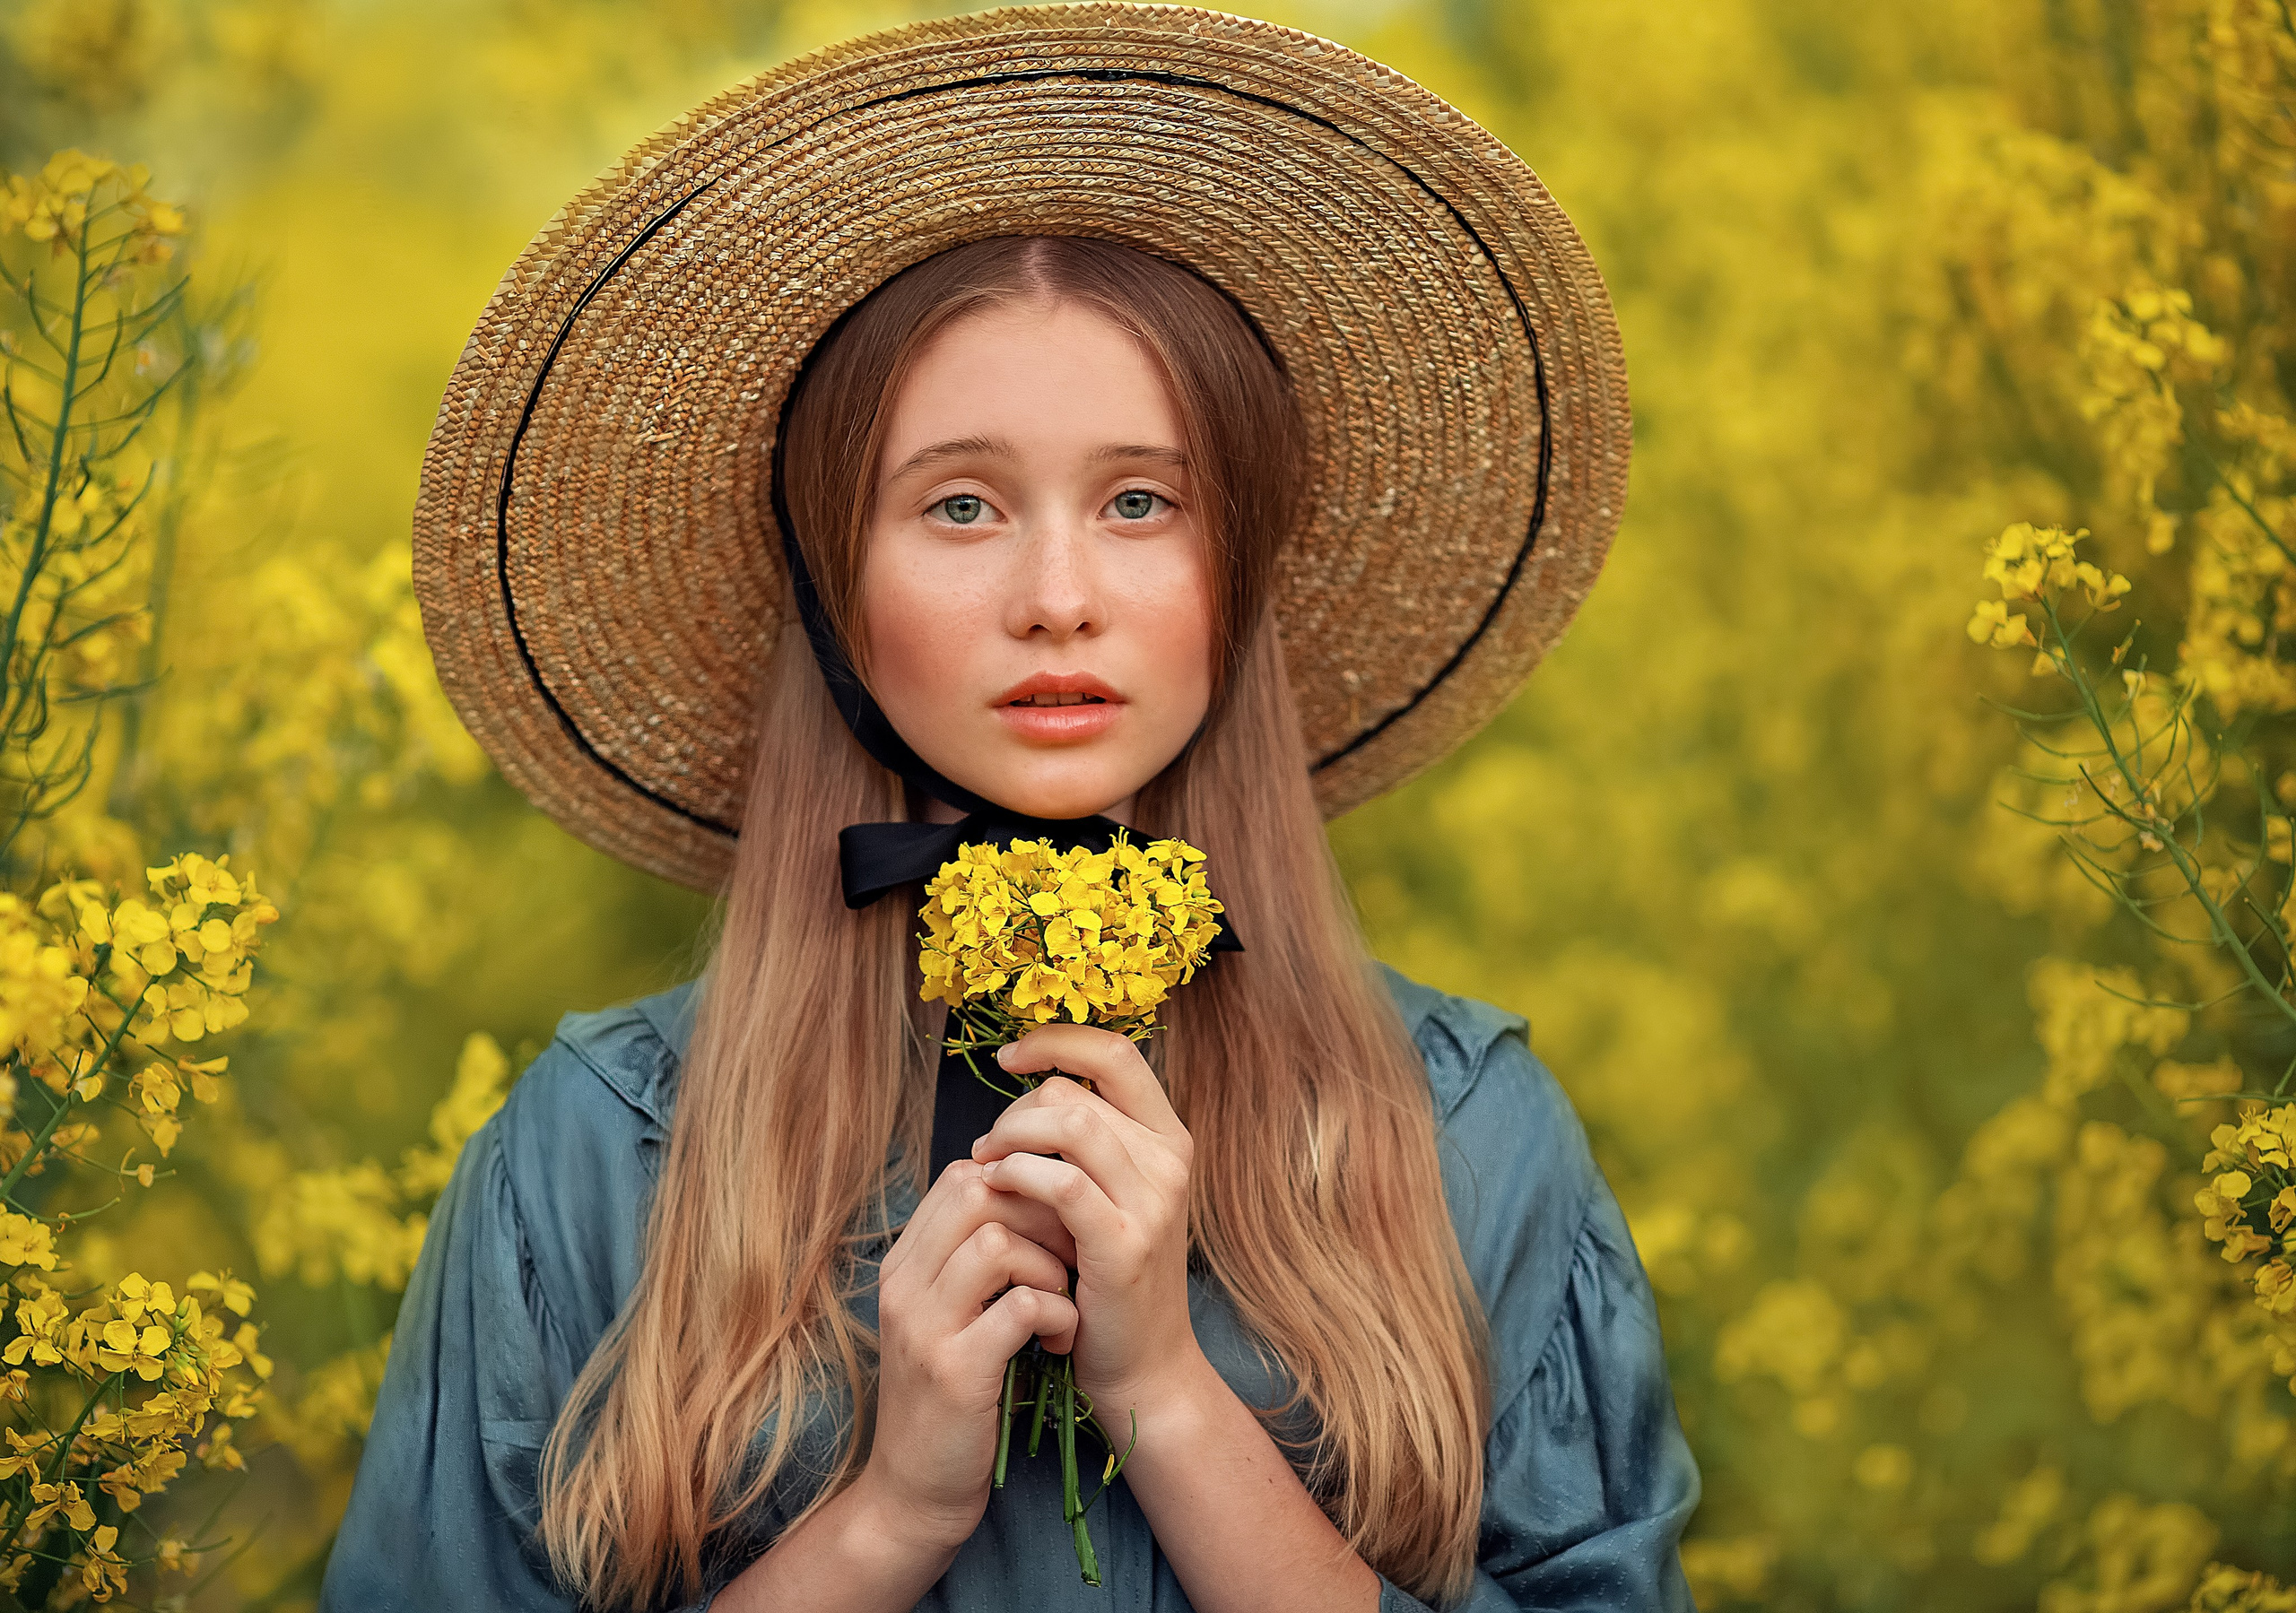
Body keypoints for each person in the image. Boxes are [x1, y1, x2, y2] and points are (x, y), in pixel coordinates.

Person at [322, 6, 1698, 1609]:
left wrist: (1174, 1400)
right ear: (833, 588)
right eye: (961, 505)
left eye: (1141, 501)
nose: (1059, 598)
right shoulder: (588, 1163)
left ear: (1238, 571)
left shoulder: (1467, 1138)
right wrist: (890, 1512)